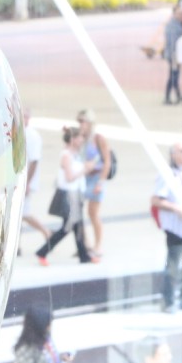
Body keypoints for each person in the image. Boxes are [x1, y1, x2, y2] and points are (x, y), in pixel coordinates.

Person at [36, 126, 96, 265]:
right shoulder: (66, 156)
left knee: (77, 226)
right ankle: (43, 252)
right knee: (68, 227)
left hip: (76, 194)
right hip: (69, 195)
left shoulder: (75, 154)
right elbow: (69, 177)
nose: (82, 140)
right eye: (79, 137)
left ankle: (84, 255)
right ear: (73, 139)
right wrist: (85, 169)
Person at [151, 142, 182, 312]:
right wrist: (177, 209)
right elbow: (156, 200)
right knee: (173, 265)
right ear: (174, 155)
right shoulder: (167, 174)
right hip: (175, 227)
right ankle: (168, 301)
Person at [77, 109, 112, 260]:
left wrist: (101, 181)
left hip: (96, 177)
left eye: (83, 122)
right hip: (83, 177)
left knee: (93, 213)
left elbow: (107, 161)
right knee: (78, 212)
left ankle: (98, 245)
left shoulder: (98, 138)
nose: (80, 125)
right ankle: (85, 243)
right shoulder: (80, 138)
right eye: (79, 122)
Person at [19, 107, 48, 251]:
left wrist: (28, 183)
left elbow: (34, 161)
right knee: (19, 215)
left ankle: (47, 232)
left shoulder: (32, 136)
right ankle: (17, 246)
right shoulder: (20, 133)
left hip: (27, 181)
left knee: (24, 214)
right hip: (21, 179)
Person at [160, 7, 182, 105]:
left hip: (175, 55)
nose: (181, 15)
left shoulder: (177, 23)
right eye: (179, 13)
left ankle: (178, 95)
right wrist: (175, 57)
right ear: (174, 13)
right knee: (173, 76)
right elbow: (172, 44)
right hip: (174, 55)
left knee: (175, 75)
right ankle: (167, 98)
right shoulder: (172, 26)